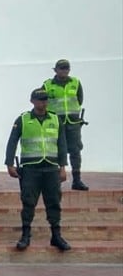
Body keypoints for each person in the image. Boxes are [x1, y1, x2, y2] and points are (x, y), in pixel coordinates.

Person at [5, 88, 71, 252]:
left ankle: (56, 235)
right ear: (32, 101)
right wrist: (9, 164)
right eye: (40, 100)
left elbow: (62, 145)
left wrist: (63, 167)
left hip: (51, 167)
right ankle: (25, 235)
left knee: (54, 202)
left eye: (45, 99)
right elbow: (12, 142)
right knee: (28, 202)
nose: (43, 102)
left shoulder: (55, 119)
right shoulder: (23, 119)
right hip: (30, 168)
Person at [43, 59, 88, 191]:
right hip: (56, 123)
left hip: (73, 123)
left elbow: (79, 100)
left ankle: (77, 180)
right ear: (55, 70)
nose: (64, 71)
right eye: (61, 68)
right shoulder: (47, 85)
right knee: (55, 151)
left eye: (66, 68)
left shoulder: (76, 82)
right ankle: (55, 181)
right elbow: (42, 102)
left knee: (75, 151)